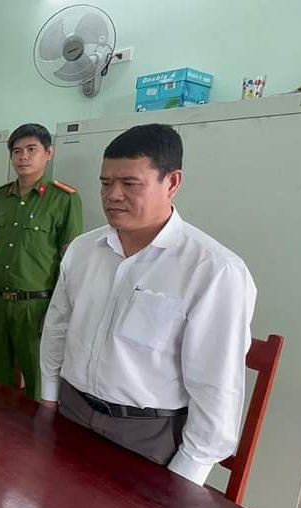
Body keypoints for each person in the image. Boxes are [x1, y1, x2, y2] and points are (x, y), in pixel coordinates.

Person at [39, 123, 257, 485]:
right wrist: (49, 398)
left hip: (146, 434)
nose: (113, 196)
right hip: (71, 410)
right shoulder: (83, 250)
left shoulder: (213, 270)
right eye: (106, 183)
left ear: (172, 182)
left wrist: (185, 479)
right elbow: (57, 327)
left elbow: (216, 389)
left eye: (130, 184)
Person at [0, 123, 83, 400]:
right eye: (17, 151)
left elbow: (70, 259)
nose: (23, 156)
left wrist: (59, 310)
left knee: (39, 379)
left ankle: (36, 428)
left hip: (36, 306)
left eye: (31, 149)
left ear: (48, 153)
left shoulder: (64, 199)